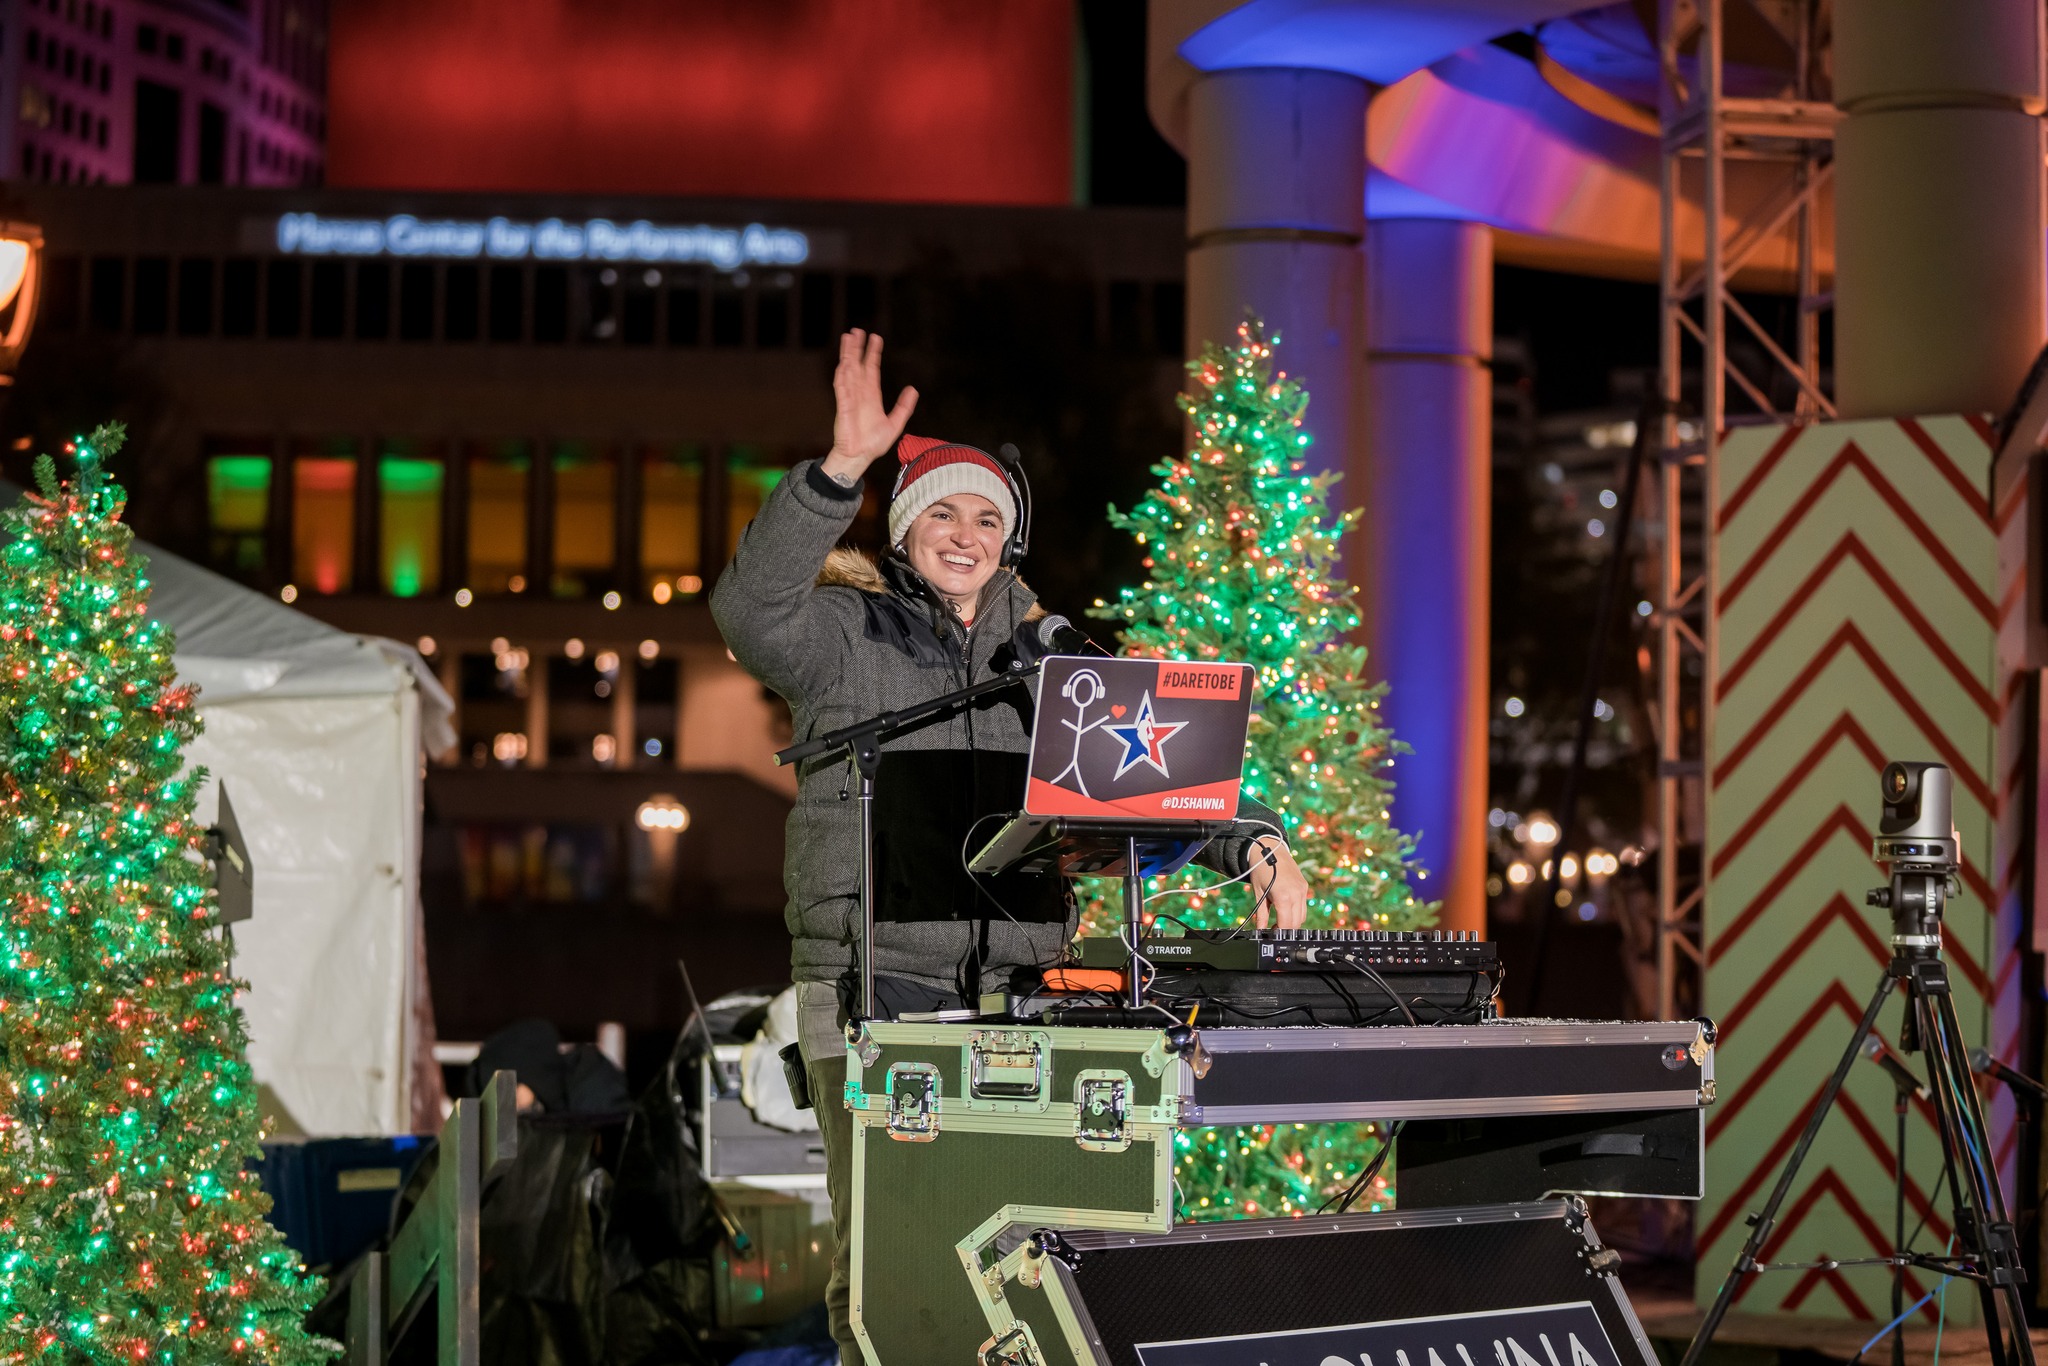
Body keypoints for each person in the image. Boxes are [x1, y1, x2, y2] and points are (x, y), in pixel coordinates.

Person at [710, 329, 1309, 1361]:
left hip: (1025, 996)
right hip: (872, 997)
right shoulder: (841, 637)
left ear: (1009, 541)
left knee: (1038, 1257)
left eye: (986, 517)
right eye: (940, 509)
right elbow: (746, 609)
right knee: (890, 1267)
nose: (964, 532)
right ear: (901, 529)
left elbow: (1156, 782)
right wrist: (839, 471)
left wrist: (1256, 842)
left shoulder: (1052, 662)